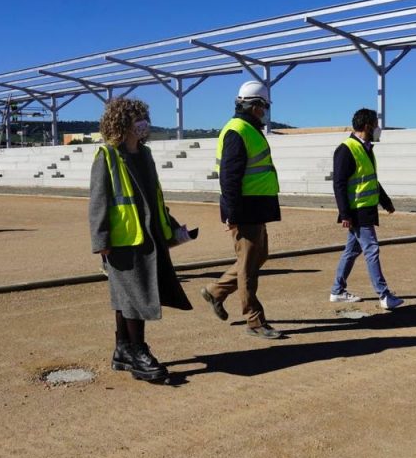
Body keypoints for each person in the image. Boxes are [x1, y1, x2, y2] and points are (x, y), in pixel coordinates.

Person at [89, 97, 193, 382]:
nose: (143, 124)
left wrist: (170, 226)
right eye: (137, 119)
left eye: (144, 118)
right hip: (124, 240)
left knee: (127, 297)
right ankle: (138, 352)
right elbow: (98, 202)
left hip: (149, 236)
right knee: (136, 297)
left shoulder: (145, 155)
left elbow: (154, 197)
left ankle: (123, 350)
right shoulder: (107, 156)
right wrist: (101, 242)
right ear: (122, 123)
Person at [199, 81, 284, 340]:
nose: (265, 112)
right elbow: (229, 177)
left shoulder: (248, 129)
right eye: (263, 107)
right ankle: (254, 320)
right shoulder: (237, 131)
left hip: (256, 207)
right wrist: (232, 214)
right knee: (248, 266)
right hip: (245, 209)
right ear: (254, 106)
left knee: (258, 258)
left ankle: (215, 291)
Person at [329, 108, 403, 310]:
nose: (378, 128)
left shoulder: (366, 149)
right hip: (357, 211)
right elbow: (339, 184)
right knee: (371, 249)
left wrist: (385, 201)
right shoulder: (346, 149)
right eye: (376, 124)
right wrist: (344, 213)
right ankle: (384, 295)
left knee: (352, 251)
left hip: (366, 209)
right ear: (367, 126)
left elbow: (371, 181)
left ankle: (337, 290)